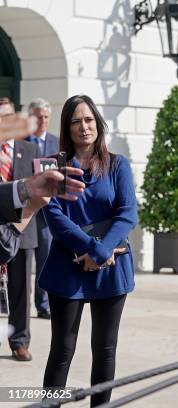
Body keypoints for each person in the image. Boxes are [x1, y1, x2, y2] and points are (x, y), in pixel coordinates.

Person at [39, 95, 137, 407]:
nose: (84, 127)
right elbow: (54, 218)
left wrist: (101, 252)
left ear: (98, 123)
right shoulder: (50, 166)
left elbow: (128, 214)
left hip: (111, 266)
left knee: (106, 349)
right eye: (76, 121)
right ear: (67, 127)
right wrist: (94, 249)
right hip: (66, 268)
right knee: (62, 351)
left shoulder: (118, 164)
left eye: (89, 119)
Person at [0, 97, 41, 361]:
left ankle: (20, 341)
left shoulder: (30, 150)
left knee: (20, 289)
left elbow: (39, 191)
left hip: (22, 229)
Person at [26, 98, 60, 320]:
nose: (43, 121)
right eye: (39, 117)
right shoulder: (20, 142)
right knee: (21, 263)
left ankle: (43, 304)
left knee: (45, 259)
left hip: (47, 212)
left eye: (46, 117)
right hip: (25, 212)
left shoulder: (57, 143)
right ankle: (18, 306)